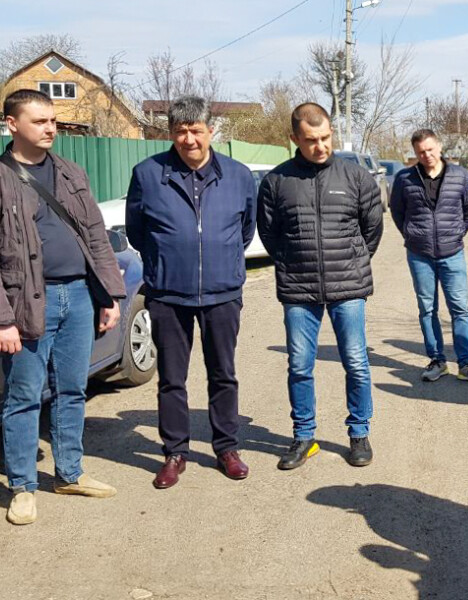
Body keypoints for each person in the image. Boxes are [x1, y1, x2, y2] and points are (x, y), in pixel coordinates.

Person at [0, 89, 126, 525]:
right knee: (23, 397)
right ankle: (22, 487)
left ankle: (69, 473)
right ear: (12, 124)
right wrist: (3, 320)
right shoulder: (0, 177)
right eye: (39, 121)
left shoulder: (71, 172)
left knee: (73, 390)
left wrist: (110, 294)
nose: (50, 128)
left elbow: (95, 236)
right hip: (25, 304)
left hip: (78, 296)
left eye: (52, 120)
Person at [126, 96, 256, 490]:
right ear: (170, 133)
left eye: (196, 130)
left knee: (223, 374)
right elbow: (137, 232)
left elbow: (246, 229)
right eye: (180, 131)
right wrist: (167, 262)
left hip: (222, 293)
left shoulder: (237, 175)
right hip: (169, 294)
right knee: (171, 378)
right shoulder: (148, 174)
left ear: (210, 130)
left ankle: (226, 448)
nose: (188, 139)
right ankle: (175, 452)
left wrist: (223, 262)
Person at [257, 103, 384, 471]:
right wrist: (291, 262)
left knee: (357, 363)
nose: (320, 146)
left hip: (348, 288)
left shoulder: (356, 177)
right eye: (311, 140)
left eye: (326, 137)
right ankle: (303, 436)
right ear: (295, 138)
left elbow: (372, 230)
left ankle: (359, 432)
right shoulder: (277, 182)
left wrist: (353, 262)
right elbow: (269, 234)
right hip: (299, 290)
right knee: (299, 365)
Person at [390, 129, 468, 385]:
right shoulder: (404, 179)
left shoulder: (460, 175)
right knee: (427, 309)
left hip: (452, 253)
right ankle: (437, 361)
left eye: (430, 149)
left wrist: (456, 234)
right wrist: (414, 236)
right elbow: (398, 212)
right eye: (421, 151)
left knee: (460, 309)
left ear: (440, 147)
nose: (427, 155)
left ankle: (466, 363)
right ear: (415, 153)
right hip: (419, 255)